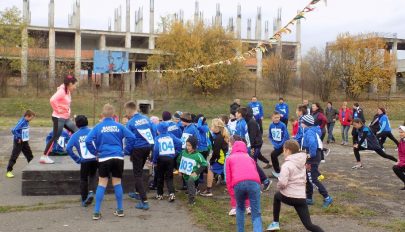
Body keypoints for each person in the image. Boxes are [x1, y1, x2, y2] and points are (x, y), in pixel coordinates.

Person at [85, 104, 135, 220]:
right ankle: (120, 209)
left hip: (104, 158)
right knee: (117, 182)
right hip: (118, 157)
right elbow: (132, 137)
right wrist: (126, 151)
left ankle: (96, 212)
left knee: (102, 183)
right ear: (114, 115)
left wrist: (95, 152)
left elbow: (88, 141)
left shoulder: (98, 127)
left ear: (102, 115)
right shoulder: (120, 126)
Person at [266, 140, 324, 232]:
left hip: (290, 196)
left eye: (283, 150)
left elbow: (283, 183)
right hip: (301, 198)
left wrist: (279, 186)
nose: (283, 153)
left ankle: (275, 222)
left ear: (288, 151)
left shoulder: (287, 165)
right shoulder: (303, 162)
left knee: (277, 196)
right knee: (309, 225)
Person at [124, 101, 156, 210]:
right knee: (140, 171)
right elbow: (153, 131)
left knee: (137, 174)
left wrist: (126, 151)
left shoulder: (130, 123)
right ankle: (137, 192)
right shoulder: (146, 118)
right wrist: (151, 146)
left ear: (129, 111)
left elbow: (129, 139)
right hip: (147, 148)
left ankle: (144, 201)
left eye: (126, 113)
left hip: (137, 149)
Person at [226, 139, 262, 232]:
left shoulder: (229, 158)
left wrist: (232, 192)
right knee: (256, 212)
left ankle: (240, 230)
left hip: (238, 183)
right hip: (254, 182)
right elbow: (255, 172)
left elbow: (228, 177)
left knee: (240, 208)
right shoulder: (250, 158)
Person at [42, 75, 79, 164]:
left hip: (65, 118)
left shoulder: (67, 91)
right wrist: (58, 110)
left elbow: (66, 103)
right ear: (70, 84)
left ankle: (84, 153)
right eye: (75, 85)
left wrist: (68, 111)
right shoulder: (62, 91)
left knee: (77, 132)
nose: (75, 87)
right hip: (58, 118)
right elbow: (52, 100)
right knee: (55, 137)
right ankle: (44, 157)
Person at [300, 115, 333, 208]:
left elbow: (313, 145)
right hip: (311, 158)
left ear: (306, 124)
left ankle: (327, 198)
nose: (300, 123)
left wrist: (309, 155)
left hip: (312, 159)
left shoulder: (309, 132)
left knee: (313, 179)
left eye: (302, 122)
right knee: (308, 178)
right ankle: (309, 198)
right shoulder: (309, 131)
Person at [66, 115, 98, 207]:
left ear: (76, 124)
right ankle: (91, 191)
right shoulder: (93, 131)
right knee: (93, 176)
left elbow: (68, 148)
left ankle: (84, 199)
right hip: (95, 159)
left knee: (83, 179)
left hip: (84, 160)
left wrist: (77, 159)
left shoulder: (75, 135)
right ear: (87, 122)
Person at [237, 107, 271, 190]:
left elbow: (251, 136)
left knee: (252, 164)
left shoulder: (251, 122)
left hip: (255, 145)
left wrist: (252, 147)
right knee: (252, 164)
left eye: (237, 112)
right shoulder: (246, 121)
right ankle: (260, 180)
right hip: (252, 145)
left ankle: (265, 181)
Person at [152, 121, 182, 201]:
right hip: (170, 159)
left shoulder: (157, 138)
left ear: (159, 130)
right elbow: (179, 142)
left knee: (160, 177)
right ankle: (171, 194)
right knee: (169, 177)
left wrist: (154, 161)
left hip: (161, 159)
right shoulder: (171, 136)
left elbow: (156, 150)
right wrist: (176, 153)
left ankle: (160, 194)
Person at [200, 118, 229, 197]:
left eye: (212, 126)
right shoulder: (219, 135)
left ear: (216, 128)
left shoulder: (218, 138)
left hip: (221, 159)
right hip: (225, 158)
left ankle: (208, 190)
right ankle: (223, 180)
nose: (210, 127)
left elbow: (216, 152)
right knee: (225, 171)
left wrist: (212, 161)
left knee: (210, 169)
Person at [177, 136, 207, 205]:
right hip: (185, 173)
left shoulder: (198, 155)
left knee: (190, 180)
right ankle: (194, 190)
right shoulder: (183, 152)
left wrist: (196, 173)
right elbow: (179, 161)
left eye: (189, 145)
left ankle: (192, 200)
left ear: (194, 146)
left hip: (194, 173)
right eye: (187, 145)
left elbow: (204, 164)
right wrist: (180, 170)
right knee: (188, 183)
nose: (188, 147)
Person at [6, 110, 36, 178]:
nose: (32, 119)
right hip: (18, 142)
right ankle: (9, 171)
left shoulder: (26, 121)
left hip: (24, 141)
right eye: (31, 117)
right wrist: (19, 137)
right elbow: (14, 130)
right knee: (14, 156)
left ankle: (33, 169)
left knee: (29, 155)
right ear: (27, 116)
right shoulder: (22, 122)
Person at [268, 111, 290, 178]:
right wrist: (274, 143)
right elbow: (270, 136)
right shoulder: (271, 125)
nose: (277, 119)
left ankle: (278, 172)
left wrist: (280, 144)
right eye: (275, 117)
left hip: (283, 144)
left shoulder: (282, 125)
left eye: (278, 117)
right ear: (272, 118)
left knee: (273, 155)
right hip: (276, 145)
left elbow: (286, 137)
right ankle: (279, 172)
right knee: (274, 156)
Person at [393, 126, 405, 190]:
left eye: (402, 132)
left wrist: (402, 162)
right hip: (403, 162)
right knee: (395, 167)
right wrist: (400, 161)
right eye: (399, 132)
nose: (400, 134)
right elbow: (400, 153)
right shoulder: (401, 141)